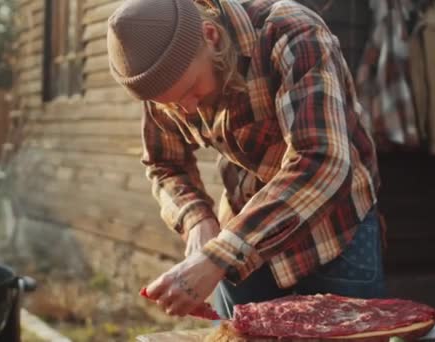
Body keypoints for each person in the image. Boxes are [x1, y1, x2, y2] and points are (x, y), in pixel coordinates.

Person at [106, 0, 385, 319]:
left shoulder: (291, 32)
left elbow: (322, 160)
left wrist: (220, 256)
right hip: (243, 234)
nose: (188, 109)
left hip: (333, 234)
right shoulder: (162, 76)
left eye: (191, 90)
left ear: (210, 36)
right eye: (170, 104)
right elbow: (164, 164)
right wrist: (197, 219)